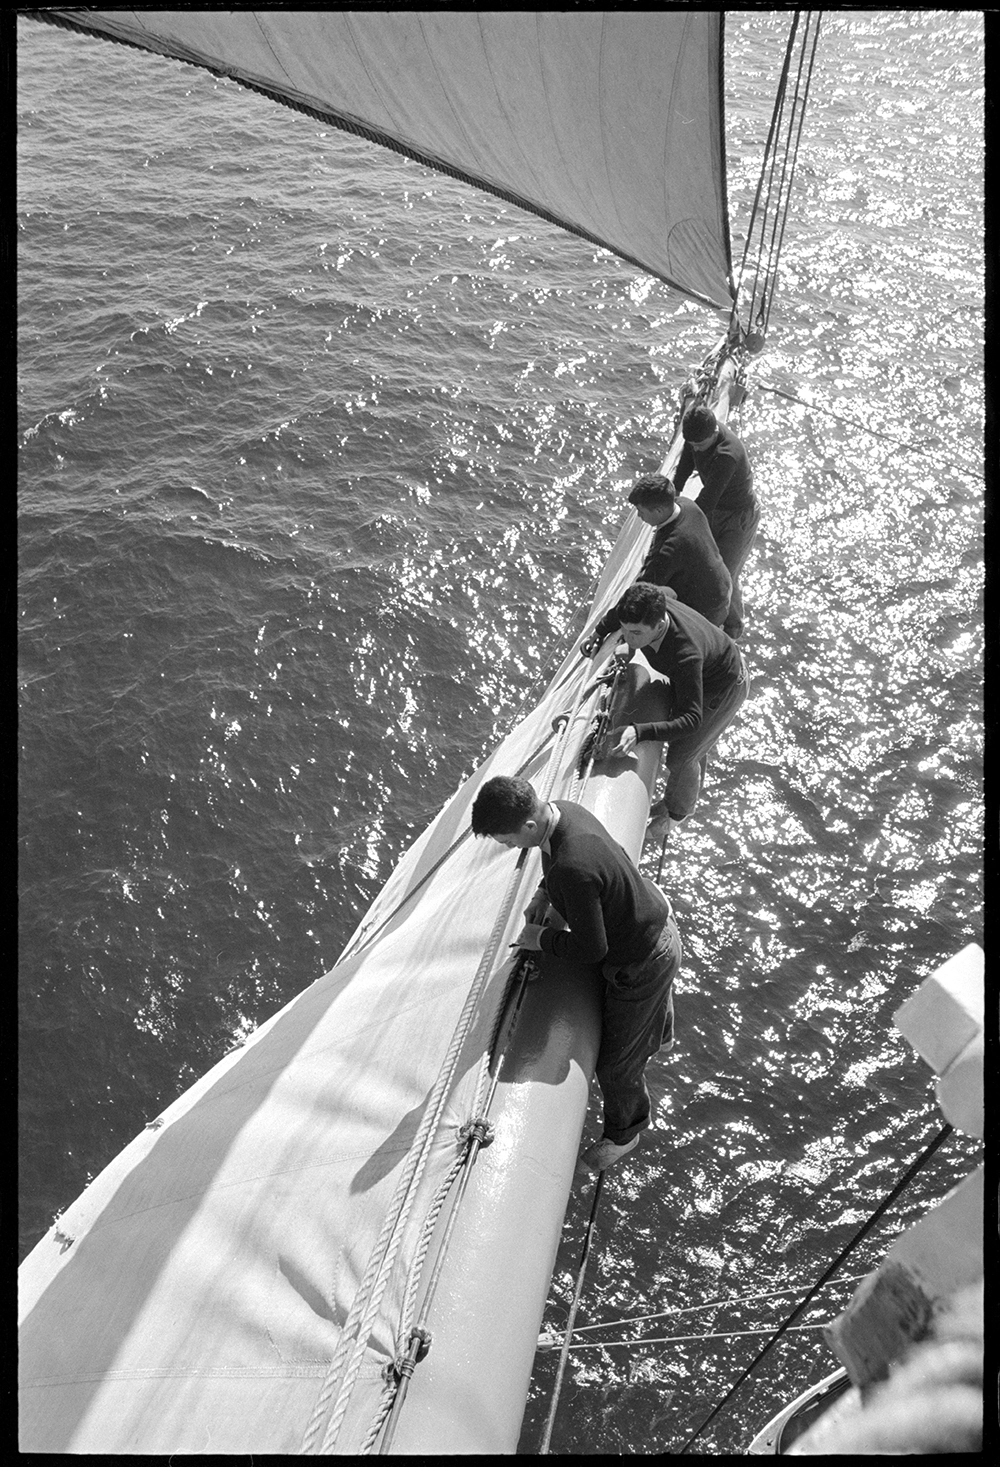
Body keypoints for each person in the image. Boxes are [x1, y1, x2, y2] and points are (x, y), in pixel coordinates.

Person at [470, 775, 682, 1172]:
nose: (510, 848)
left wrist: (541, 939)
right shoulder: (565, 812)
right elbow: (591, 859)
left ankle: (625, 1134)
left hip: (644, 962)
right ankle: (663, 1035)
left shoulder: (571, 867)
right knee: (650, 1014)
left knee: (615, 1065)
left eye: (508, 840)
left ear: (529, 827)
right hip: (658, 926)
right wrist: (542, 894)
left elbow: (592, 949)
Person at [603, 581, 749, 839]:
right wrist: (599, 632)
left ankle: (676, 814)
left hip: (724, 687)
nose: (627, 637)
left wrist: (639, 732)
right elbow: (660, 595)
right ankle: (688, 772)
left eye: (635, 633)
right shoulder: (654, 601)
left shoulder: (685, 656)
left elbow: (691, 719)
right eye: (625, 630)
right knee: (695, 744)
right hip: (711, 659)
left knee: (682, 756)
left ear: (659, 626)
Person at [581, 475, 731, 653]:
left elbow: (637, 595)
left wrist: (601, 630)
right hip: (722, 587)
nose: (639, 516)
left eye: (641, 511)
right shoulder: (687, 505)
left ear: (659, 511)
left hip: (706, 611)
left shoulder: (667, 551)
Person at [674, 403, 760, 640]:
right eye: (692, 444)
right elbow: (686, 461)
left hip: (738, 517)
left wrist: (676, 525)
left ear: (714, 434)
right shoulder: (697, 436)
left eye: (700, 445)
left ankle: (729, 631)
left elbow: (707, 500)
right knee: (703, 563)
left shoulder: (727, 455)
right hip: (717, 511)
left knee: (724, 574)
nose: (696, 449)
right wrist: (674, 491)